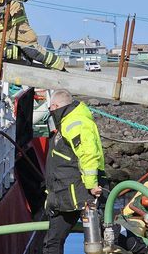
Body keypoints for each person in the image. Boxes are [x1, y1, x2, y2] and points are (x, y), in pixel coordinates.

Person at [43, 89, 105, 254]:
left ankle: (144, 249)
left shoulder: (74, 123)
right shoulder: (68, 121)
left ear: (55, 106)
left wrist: (92, 186)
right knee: (52, 243)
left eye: (50, 109)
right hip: (66, 195)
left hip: (81, 193)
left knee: (105, 232)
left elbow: (88, 154)